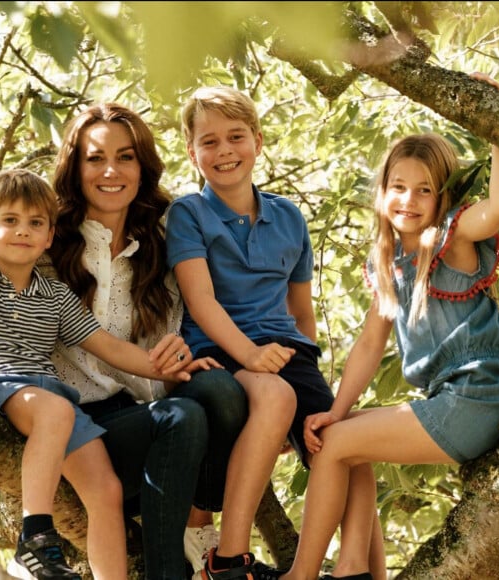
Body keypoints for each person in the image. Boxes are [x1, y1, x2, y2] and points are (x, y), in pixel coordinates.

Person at [262, 73, 499, 580]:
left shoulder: (451, 238)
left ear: (442, 196)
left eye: (424, 189)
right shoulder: (390, 262)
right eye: (398, 187)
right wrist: (336, 411)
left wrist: (498, 131)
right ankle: (359, 569)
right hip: (446, 402)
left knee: (336, 447)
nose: (409, 199)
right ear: (381, 194)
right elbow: (366, 346)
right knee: (345, 435)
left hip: (475, 401)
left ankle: (303, 575)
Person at [0, 169, 221, 580]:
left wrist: (171, 367)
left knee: (105, 490)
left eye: (36, 223)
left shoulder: (54, 295)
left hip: (49, 401)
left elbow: (108, 347)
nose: (23, 231)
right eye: (10, 221)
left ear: (50, 236)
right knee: (56, 409)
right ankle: (33, 540)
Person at [165, 86, 386, 580]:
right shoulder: (188, 214)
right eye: (209, 142)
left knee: (343, 437)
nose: (224, 151)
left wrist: (305, 368)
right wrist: (250, 353)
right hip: (217, 352)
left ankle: (356, 568)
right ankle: (229, 559)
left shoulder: (287, 216)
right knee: (274, 396)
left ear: (258, 142)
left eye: (236, 137)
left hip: (289, 355)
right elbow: (201, 300)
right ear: (191, 151)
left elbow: (300, 312)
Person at [45, 102, 249, 579]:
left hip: (158, 424)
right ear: (75, 168)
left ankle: (200, 524)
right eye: (95, 158)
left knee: (219, 391)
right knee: (182, 416)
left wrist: (184, 352)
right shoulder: (46, 238)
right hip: (81, 432)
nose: (111, 170)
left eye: (126, 156)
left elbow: (222, 304)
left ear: (144, 166)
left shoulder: (168, 231)